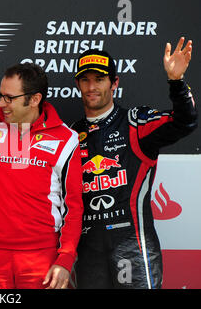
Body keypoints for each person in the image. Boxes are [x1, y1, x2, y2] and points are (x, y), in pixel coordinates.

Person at [71, 38, 197, 288]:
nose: (92, 86)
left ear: (114, 83)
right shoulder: (71, 135)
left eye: (99, 79)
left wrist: (177, 82)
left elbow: (185, 121)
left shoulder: (135, 123)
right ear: (78, 84)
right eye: (85, 80)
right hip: (88, 252)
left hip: (133, 247)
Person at [0, 63, 83, 289]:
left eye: (9, 98)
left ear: (34, 99)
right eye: (0, 95)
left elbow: (74, 206)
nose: (0, 104)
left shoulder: (66, 138)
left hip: (41, 258)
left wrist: (65, 258)